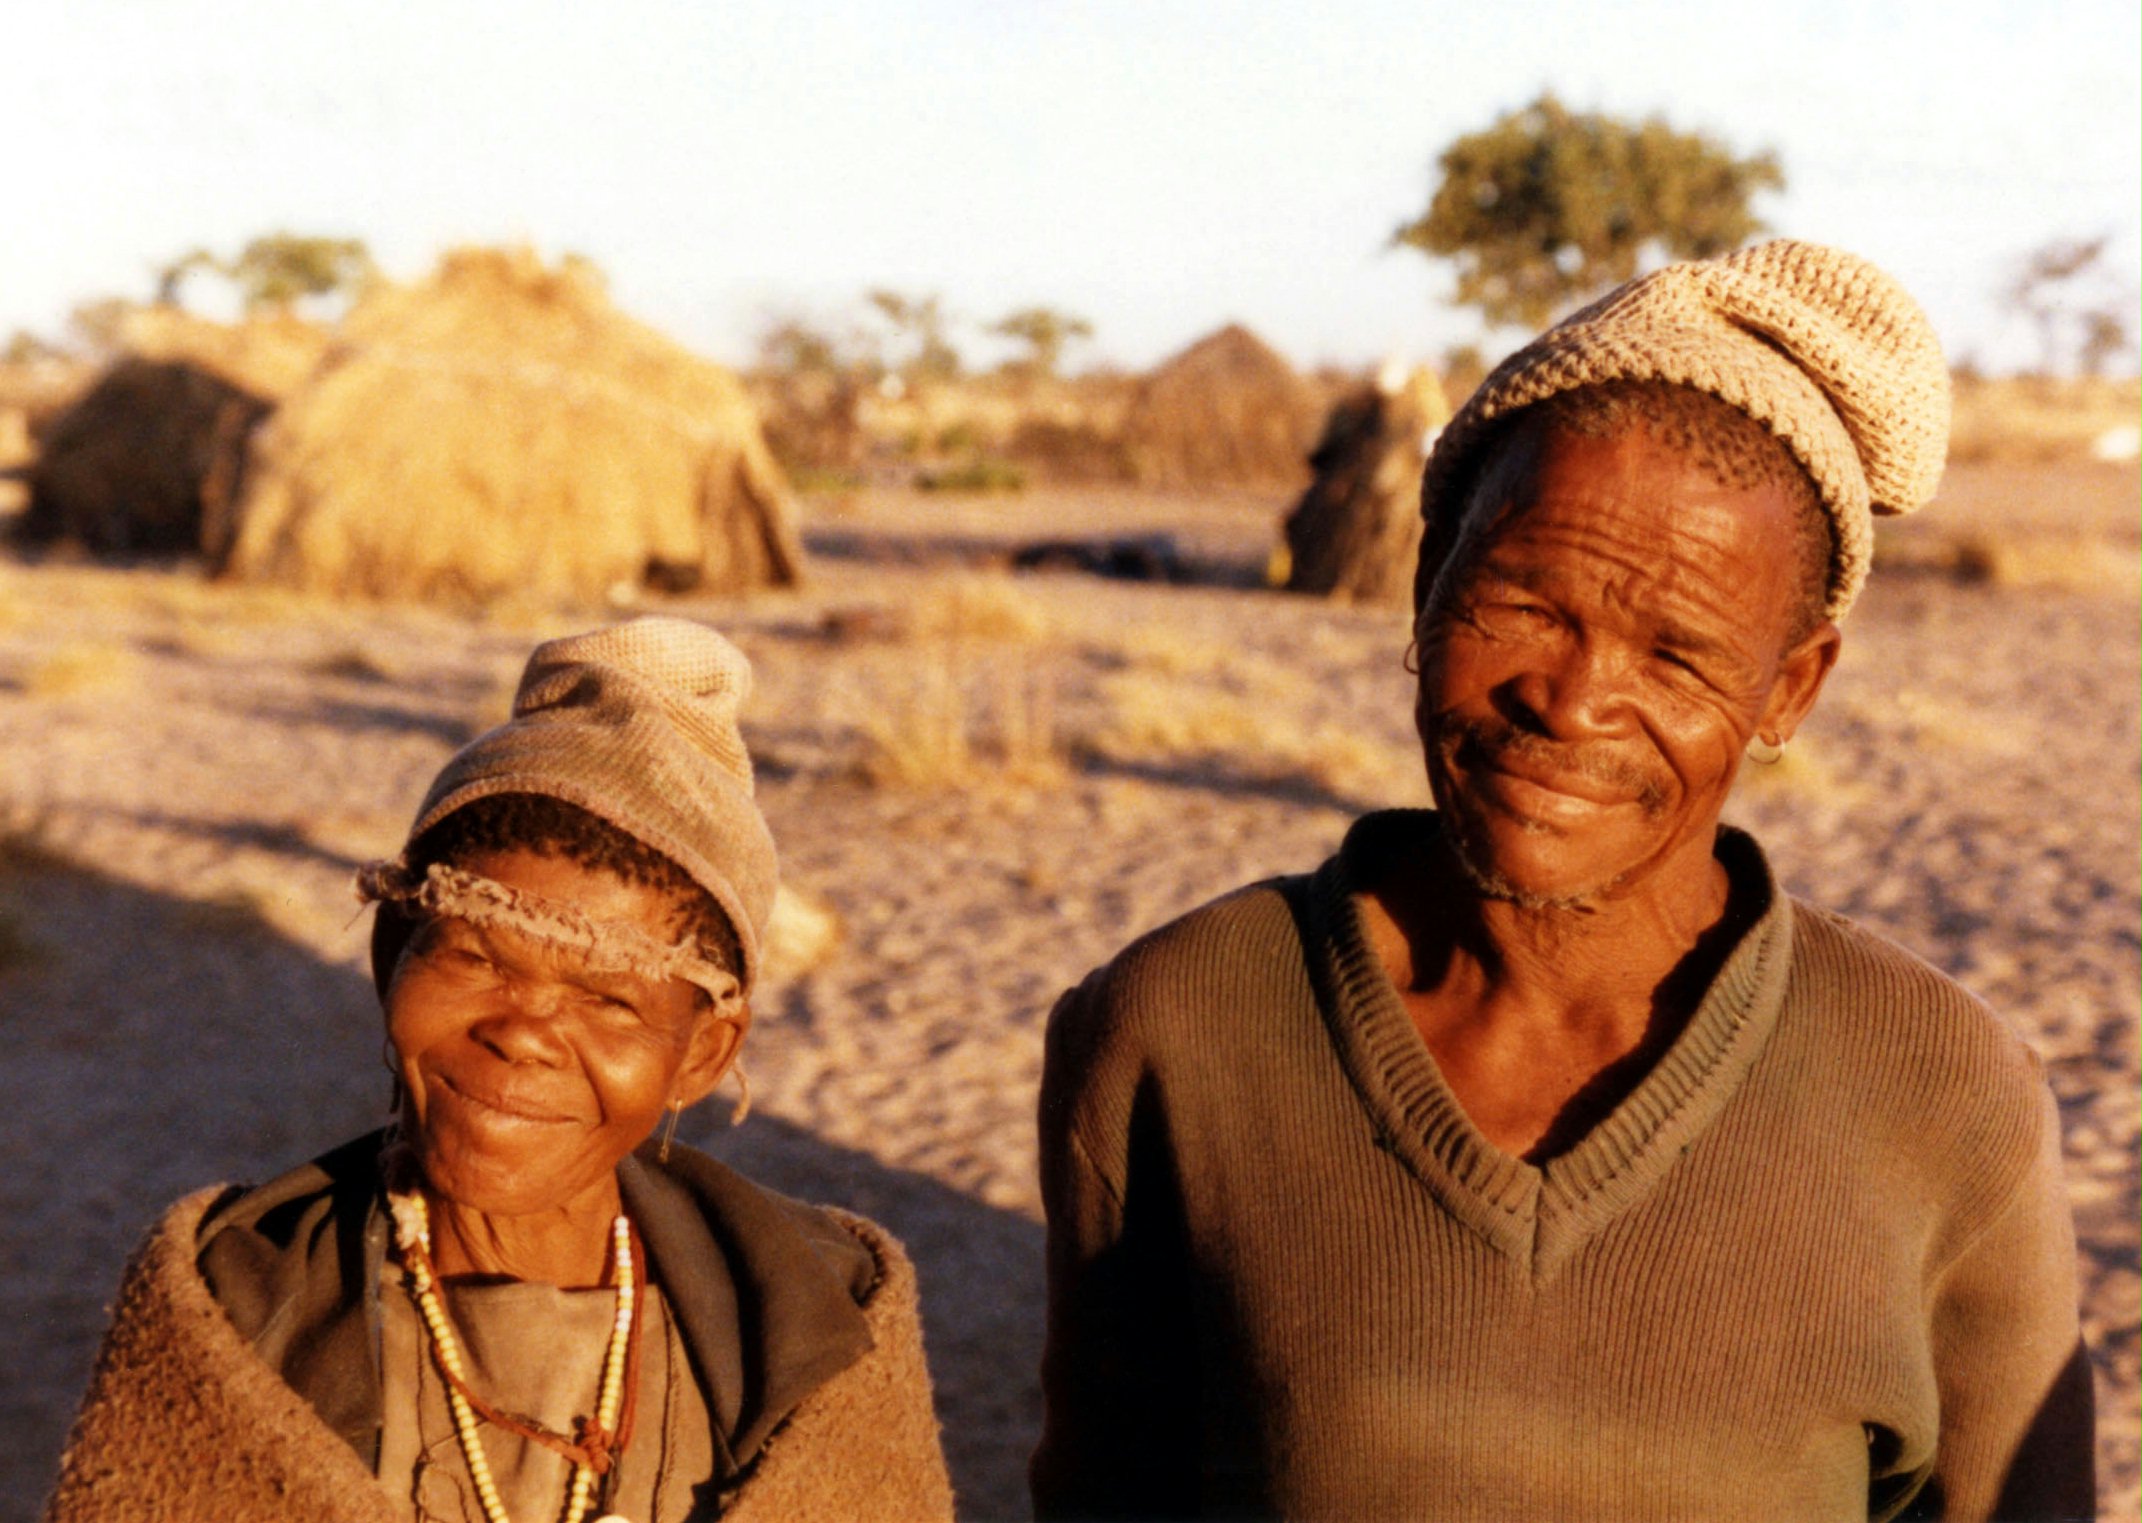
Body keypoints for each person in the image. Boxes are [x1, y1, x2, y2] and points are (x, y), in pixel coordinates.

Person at [1032, 242, 2094, 1522]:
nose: (1573, 698)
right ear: (1426, 584)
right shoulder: (1176, 1029)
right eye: (1525, 605)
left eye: (1679, 653)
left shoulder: (1940, 1092)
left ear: (1791, 688)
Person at [46, 618, 954, 1523]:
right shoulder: (234, 1309)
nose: (524, 1034)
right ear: (393, 954)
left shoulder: (818, 1327)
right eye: (476, 959)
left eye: (611, 1000)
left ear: (703, 1053)